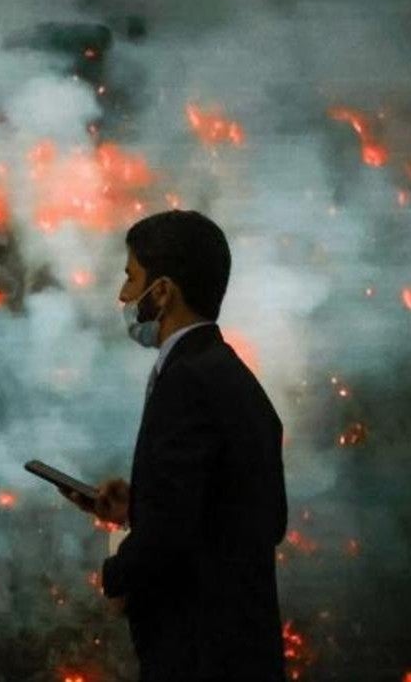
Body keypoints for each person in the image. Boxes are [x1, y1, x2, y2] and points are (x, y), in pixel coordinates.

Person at [62, 209, 289, 681]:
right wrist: (137, 508)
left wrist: (116, 573)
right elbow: (249, 515)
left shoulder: (186, 381)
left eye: (131, 279)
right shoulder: (229, 374)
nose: (124, 295)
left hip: (198, 656)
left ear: (161, 292)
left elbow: (171, 536)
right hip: (242, 652)